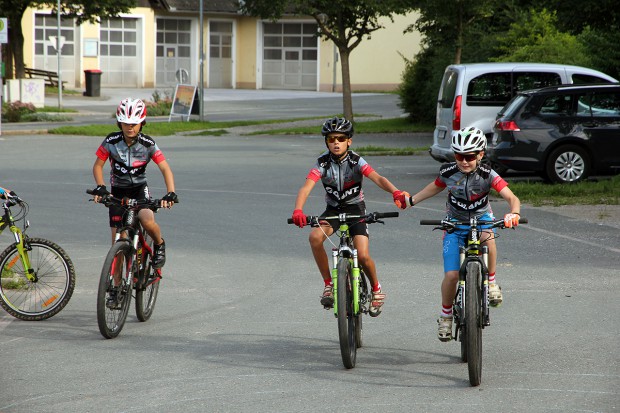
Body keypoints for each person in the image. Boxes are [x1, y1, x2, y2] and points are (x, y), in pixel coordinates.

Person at [395, 126, 520, 341]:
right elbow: (434, 187)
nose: (464, 161)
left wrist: (513, 213)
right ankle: (445, 316)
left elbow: (512, 198)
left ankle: (491, 282)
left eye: (470, 156)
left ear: (480, 154)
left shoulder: (488, 174)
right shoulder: (448, 172)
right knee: (452, 275)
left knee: (488, 239)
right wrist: (411, 200)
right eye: (459, 156)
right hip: (454, 222)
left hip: (481, 220)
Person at [291, 116, 409, 316]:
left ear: (349, 141)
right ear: (326, 142)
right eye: (331, 139)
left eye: (340, 138)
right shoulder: (322, 162)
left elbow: (378, 178)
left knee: (362, 255)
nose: (336, 142)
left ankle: (377, 289)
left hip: (356, 211)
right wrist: (298, 210)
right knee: (314, 237)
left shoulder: (356, 160)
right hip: (333, 211)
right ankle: (329, 284)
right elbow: (306, 187)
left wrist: (395, 192)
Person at [90, 97, 178, 273]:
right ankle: (115, 288)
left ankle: (159, 245)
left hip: (139, 191)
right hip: (117, 193)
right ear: (119, 123)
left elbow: (165, 168)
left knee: (146, 218)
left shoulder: (148, 144)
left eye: (134, 123)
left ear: (142, 123)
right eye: (125, 123)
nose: (130, 127)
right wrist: (100, 186)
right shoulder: (111, 141)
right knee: (117, 243)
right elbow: (97, 165)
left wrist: (171, 192)